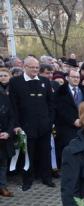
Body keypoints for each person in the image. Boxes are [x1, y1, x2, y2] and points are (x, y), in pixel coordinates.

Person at [9, 56, 55, 191]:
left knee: (45, 152)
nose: (35, 70)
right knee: (28, 153)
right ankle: (27, 179)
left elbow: (51, 103)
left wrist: (50, 121)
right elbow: (13, 105)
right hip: (25, 126)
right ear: (25, 67)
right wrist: (16, 124)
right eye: (32, 67)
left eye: (37, 67)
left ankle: (46, 177)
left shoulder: (45, 81)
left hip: (44, 125)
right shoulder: (15, 82)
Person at [54, 68, 84, 157]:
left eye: (78, 77)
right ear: (67, 78)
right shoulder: (60, 91)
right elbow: (60, 109)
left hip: (83, 126)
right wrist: (73, 120)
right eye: (73, 77)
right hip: (66, 127)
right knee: (69, 152)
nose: (76, 79)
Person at [0, 68, 15, 197]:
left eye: (5, 75)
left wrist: (8, 132)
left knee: (3, 162)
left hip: (4, 135)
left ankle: (2, 186)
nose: (2, 78)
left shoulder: (5, 97)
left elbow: (11, 116)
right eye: (0, 76)